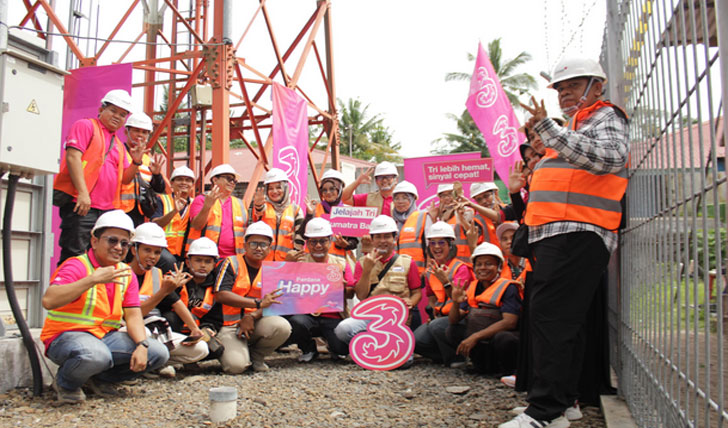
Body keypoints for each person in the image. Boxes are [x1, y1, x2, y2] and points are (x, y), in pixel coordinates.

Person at [500, 57, 629, 428]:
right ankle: (562, 402)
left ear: (597, 86)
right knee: (559, 320)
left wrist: (548, 129)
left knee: (552, 319)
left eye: (573, 85)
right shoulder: (577, 126)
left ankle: (545, 410)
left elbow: (611, 157)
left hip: (578, 232)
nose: (564, 93)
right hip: (560, 235)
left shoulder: (605, 116)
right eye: (560, 88)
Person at [40, 210, 169, 403]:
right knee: (95, 355)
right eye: (112, 241)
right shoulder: (77, 266)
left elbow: (133, 315)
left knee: (158, 353)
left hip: (104, 336)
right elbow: (49, 300)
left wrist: (142, 344)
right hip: (66, 336)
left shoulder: (125, 273)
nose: (118, 247)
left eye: (124, 243)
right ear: (94, 241)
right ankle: (66, 384)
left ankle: (100, 380)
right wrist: (92, 280)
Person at [53, 89, 146, 264]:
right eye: (113, 111)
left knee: (100, 260)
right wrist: (83, 193)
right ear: (101, 109)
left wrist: (136, 162)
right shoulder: (86, 126)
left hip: (106, 211)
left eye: (122, 114)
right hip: (82, 205)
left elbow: (125, 179)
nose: (117, 117)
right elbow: (73, 157)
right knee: (74, 256)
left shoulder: (118, 144)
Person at [334, 215, 422, 361]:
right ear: (372, 239)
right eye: (378, 237)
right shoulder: (362, 263)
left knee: (405, 362)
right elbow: (361, 296)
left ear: (394, 238)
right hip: (370, 318)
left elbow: (417, 292)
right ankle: (373, 347)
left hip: (397, 321)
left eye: (387, 236)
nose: (382, 241)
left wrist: (411, 302)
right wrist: (367, 270)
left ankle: (383, 349)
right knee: (343, 329)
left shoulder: (407, 263)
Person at [128, 223, 208, 376]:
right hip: (131, 331)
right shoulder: (123, 273)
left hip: (154, 330)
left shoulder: (156, 273)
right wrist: (163, 292)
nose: (152, 256)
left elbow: (176, 302)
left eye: (157, 252)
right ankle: (136, 366)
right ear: (134, 250)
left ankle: (155, 363)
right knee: (145, 334)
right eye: (147, 250)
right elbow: (133, 316)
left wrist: (194, 328)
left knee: (201, 349)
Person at [213, 221, 292, 373]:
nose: (258, 248)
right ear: (245, 245)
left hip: (255, 322)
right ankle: (237, 350)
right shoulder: (231, 263)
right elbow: (221, 295)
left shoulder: (271, 269)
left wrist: (252, 316)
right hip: (229, 325)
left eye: (263, 245)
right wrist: (256, 303)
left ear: (270, 248)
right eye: (253, 244)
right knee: (236, 367)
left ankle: (257, 356)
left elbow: (273, 301)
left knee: (282, 327)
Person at [285, 217, 355, 362]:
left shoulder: (341, 263)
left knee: (342, 350)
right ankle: (308, 348)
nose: (318, 246)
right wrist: (287, 265)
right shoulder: (299, 262)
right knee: (297, 322)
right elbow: (283, 287)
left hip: (334, 316)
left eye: (322, 241)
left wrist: (342, 288)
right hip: (307, 315)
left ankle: (333, 345)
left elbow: (351, 293)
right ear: (307, 243)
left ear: (330, 241)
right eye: (313, 242)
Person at [448, 243, 521, 375]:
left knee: (504, 339)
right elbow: (454, 320)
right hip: (481, 337)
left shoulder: (508, 287)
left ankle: (508, 371)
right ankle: (481, 365)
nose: (483, 268)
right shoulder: (472, 286)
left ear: (499, 267)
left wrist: (475, 337)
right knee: (453, 330)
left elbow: (510, 322)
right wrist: (455, 302)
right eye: (479, 264)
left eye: (488, 264)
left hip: (497, 337)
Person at [413, 222, 474, 366]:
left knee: (437, 326)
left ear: (450, 245)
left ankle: (457, 358)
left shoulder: (461, 268)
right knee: (416, 340)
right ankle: (443, 355)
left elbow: (459, 299)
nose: (436, 247)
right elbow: (431, 298)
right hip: (440, 317)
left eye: (441, 243)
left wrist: (446, 282)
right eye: (432, 243)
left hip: (460, 318)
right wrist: (433, 313)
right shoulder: (431, 271)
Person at [117, 112, 168, 227]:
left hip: (140, 212)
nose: (140, 135)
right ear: (126, 132)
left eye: (144, 132)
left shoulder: (147, 159)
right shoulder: (118, 152)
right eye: (136, 130)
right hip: (118, 210)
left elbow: (159, 189)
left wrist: (157, 175)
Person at [189, 164, 247, 258]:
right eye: (229, 179)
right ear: (215, 180)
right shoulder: (201, 199)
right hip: (206, 256)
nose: (232, 182)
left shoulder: (240, 204)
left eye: (234, 180)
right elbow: (197, 225)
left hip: (235, 258)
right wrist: (207, 207)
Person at [252, 168, 305, 261]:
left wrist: (294, 257)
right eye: (270, 188)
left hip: (287, 262)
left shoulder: (295, 210)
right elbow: (258, 212)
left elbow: (300, 236)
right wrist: (258, 205)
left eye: (278, 187)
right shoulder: (264, 207)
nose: (274, 191)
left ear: (285, 188)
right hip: (263, 262)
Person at [305, 169, 358, 262]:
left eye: (332, 189)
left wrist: (346, 244)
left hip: (340, 262)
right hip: (316, 261)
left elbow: (354, 241)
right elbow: (303, 234)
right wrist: (309, 215)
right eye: (324, 190)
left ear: (340, 189)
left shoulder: (347, 212)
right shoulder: (314, 209)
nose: (328, 192)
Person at [152, 165, 196, 273]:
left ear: (192, 185)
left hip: (185, 252)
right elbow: (155, 224)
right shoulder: (162, 200)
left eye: (188, 180)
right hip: (162, 248)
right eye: (179, 179)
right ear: (171, 183)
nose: (184, 183)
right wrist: (174, 211)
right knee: (169, 262)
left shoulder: (195, 203)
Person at [396, 180, 429, 276]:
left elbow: (430, 248)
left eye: (404, 198)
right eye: (397, 198)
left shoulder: (423, 217)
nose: (400, 202)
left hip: (419, 275)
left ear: (413, 199)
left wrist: (427, 271)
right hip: (397, 275)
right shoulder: (391, 221)